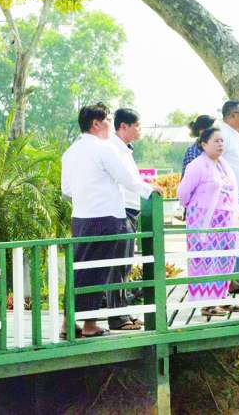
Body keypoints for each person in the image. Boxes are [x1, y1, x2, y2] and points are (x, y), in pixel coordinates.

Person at [61, 103, 160, 338]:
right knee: (98, 271)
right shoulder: (104, 149)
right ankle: (90, 325)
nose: (109, 124)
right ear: (96, 124)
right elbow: (127, 179)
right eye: (106, 120)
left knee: (80, 270)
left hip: (80, 218)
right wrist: (150, 190)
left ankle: (68, 323)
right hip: (106, 218)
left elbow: (66, 189)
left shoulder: (70, 152)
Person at [177, 127, 239, 317]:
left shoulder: (224, 165)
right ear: (204, 144)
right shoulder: (197, 165)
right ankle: (207, 303)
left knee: (225, 259)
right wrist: (195, 208)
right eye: (216, 141)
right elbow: (183, 193)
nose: (220, 144)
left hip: (226, 221)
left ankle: (221, 297)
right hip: (204, 221)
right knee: (207, 260)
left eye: (222, 141)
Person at [106, 108, 146, 331]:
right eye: (137, 125)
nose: (140, 130)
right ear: (123, 126)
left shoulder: (125, 150)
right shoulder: (113, 149)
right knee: (118, 266)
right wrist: (150, 189)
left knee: (125, 265)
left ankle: (123, 311)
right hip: (120, 211)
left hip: (130, 211)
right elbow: (127, 181)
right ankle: (117, 317)